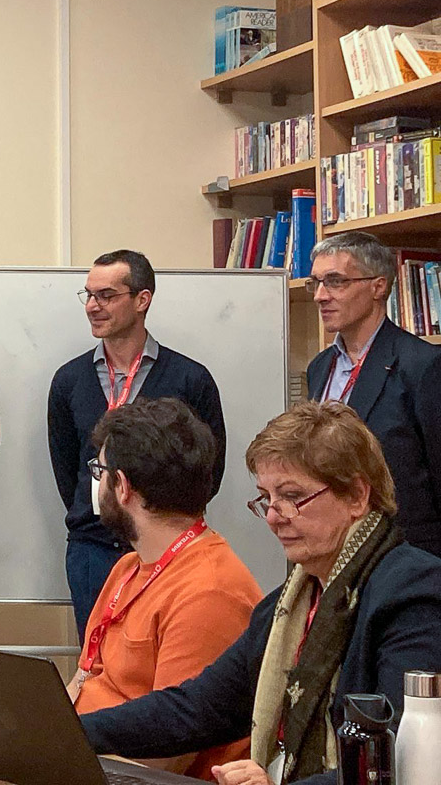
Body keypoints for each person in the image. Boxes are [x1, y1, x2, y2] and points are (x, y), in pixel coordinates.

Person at [80, 401, 441, 785]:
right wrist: (73, 731)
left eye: (292, 496)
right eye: (266, 498)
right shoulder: (287, 603)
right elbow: (197, 707)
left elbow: (397, 763)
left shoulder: (412, 593)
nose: (273, 515)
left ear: (356, 496)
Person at [70, 397, 261, 780]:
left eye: (100, 470)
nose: (98, 481)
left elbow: (170, 754)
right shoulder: (129, 566)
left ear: (122, 486)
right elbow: (83, 679)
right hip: (88, 759)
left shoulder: (209, 591)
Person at [49, 249, 227, 636]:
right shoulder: (69, 380)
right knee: (96, 665)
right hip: (92, 550)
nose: (93, 306)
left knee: (161, 658)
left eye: (107, 296)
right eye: (89, 295)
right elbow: (68, 469)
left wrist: (151, 517)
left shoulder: (189, 379)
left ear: (142, 299)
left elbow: (209, 471)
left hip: (167, 546)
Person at [305, 230, 441, 556]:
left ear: (378, 287)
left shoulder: (422, 366)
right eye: (316, 282)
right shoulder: (320, 367)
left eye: (335, 281)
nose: (320, 296)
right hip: (333, 550)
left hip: (404, 556)